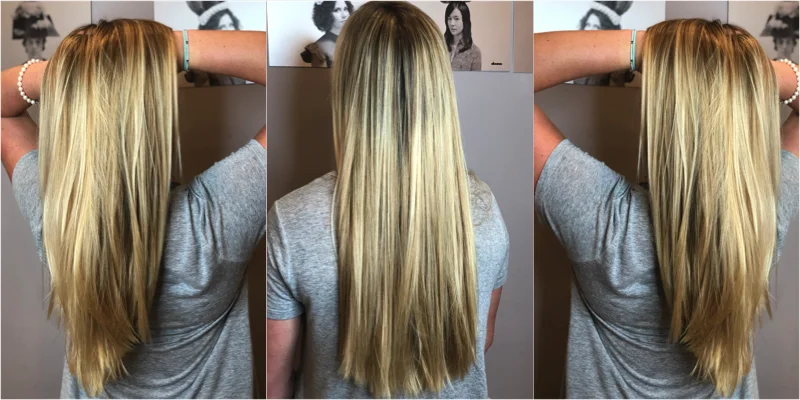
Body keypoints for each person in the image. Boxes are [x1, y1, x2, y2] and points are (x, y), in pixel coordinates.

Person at [1, 19, 266, 398]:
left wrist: (73, 70)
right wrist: (161, 50)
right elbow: (278, 67)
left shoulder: (58, 215)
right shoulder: (212, 219)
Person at [534, 19, 799, 398]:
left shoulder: (605, 220)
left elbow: (519, 74)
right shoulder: (762, 216)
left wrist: (653, 49)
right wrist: (746, 70)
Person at [267, 2, 508, 398]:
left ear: (347, 84)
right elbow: (481, 340)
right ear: (439, 86)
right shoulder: (483, 209)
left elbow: (275, 382)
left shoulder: (293, 220)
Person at [574, 1, 635, 86]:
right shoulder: (578, 54)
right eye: (588, 24)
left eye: (596, 26)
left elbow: (616, 91)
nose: (589, 30)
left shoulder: (615, 62)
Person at [185, 1, 247, 86]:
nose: (229, 30)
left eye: (230, 25)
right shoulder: (202, 63)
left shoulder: (240, 56)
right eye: (222, 27)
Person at [300, 0, 354, 68]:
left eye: (345, 9)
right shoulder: (319, 47)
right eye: (337, 10)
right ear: (326, 14)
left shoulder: (355, 40)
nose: (344, 15)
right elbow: (319, 74)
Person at [445, 1, 481, 71]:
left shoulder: (474, 52)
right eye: (449, 18)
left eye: (456, 19)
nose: (452, 23)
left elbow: (476, 78)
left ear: (465, 21)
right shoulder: (439, 46)